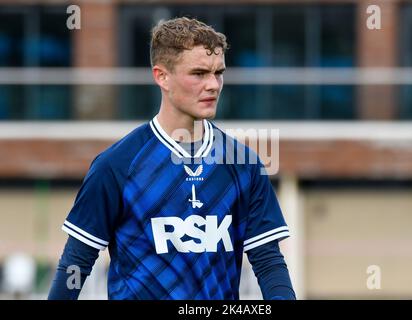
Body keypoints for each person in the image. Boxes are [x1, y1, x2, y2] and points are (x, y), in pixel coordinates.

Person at [48, 17, 296, 300]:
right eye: (199, 73)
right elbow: (76, 262)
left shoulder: (244, 164)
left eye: (219, 73)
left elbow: (268, 262)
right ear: (162, 76)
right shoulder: (116, 165)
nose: (214, 85)